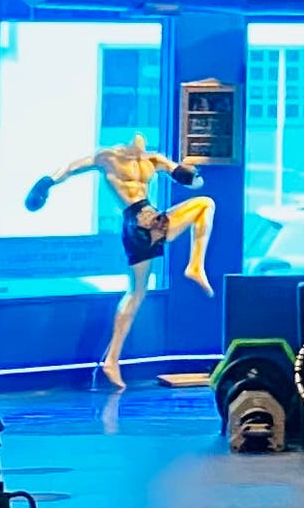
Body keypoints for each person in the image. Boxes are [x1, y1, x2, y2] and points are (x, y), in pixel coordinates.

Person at [40, 136, 216, 388]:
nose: (139, 142)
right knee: (136, 291)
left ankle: (112, 359)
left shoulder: (153, 159)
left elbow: (190, 181)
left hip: (153, 219)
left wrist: (190, 173)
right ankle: (195, 266)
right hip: (137, 221)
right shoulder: (107, 157)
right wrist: (45, 185)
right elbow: (70, 168)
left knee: (137, 292)